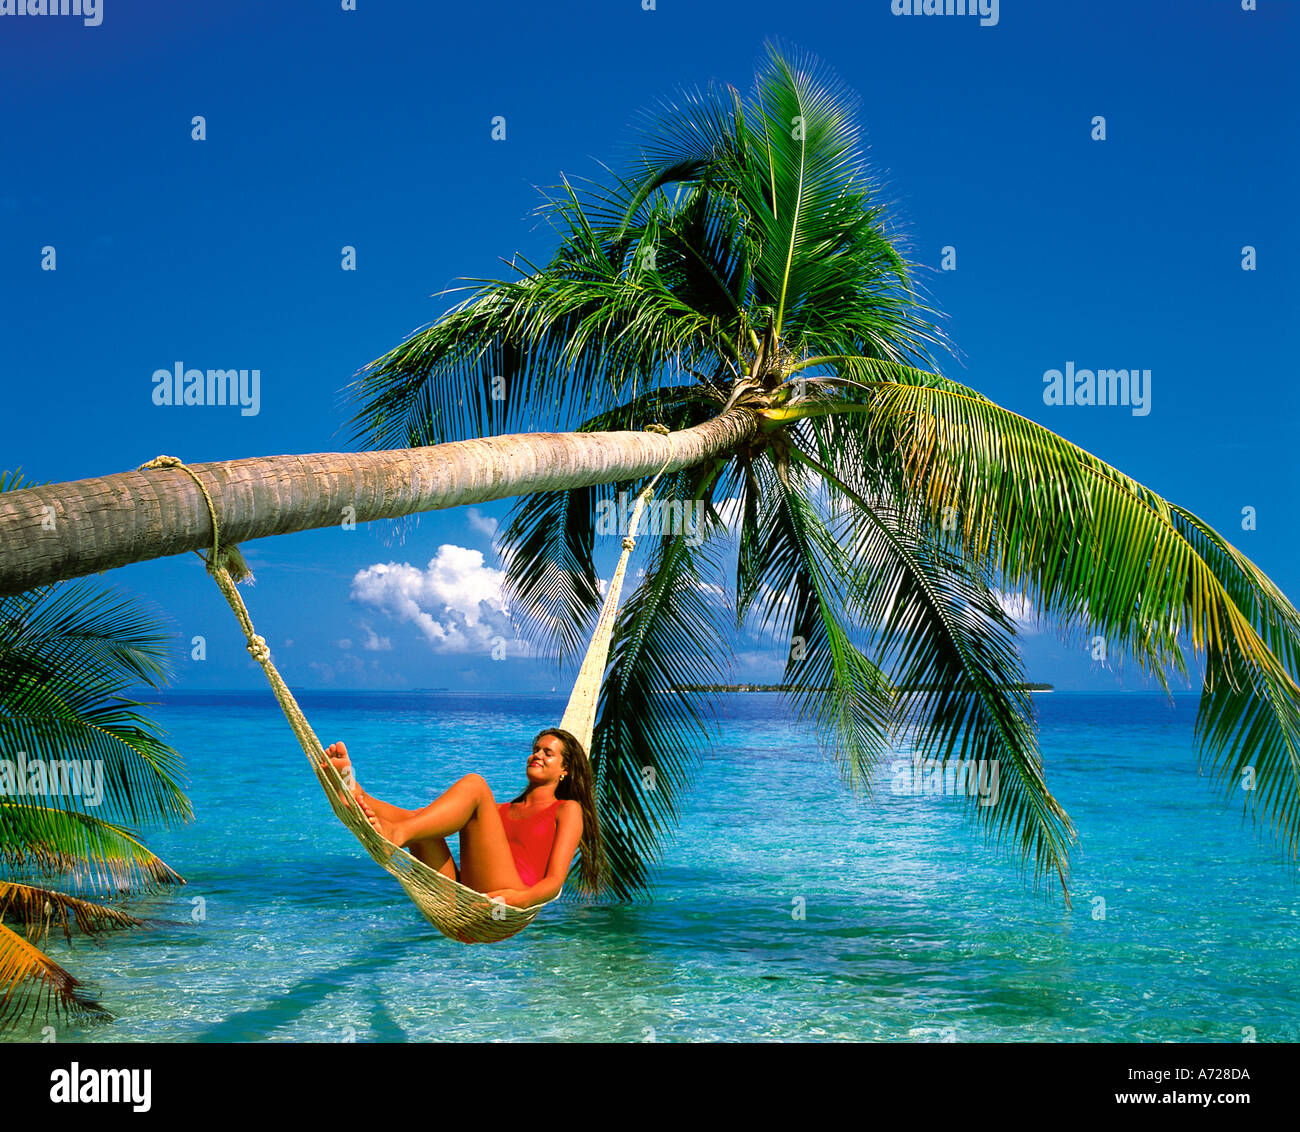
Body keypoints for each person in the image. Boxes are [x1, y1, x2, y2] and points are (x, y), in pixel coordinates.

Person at [325, 728, 604, 908]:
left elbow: (554, 882)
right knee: (422, 823)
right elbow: (423, 821)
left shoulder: (568, 809)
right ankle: (353, 792)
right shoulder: (499, 811)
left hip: (506, 898)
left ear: (564, 769)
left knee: (475, 785)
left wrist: (515, 900)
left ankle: (396, 835)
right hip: (461, 897)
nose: (536, 755)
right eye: (535, 750)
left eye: (547, 753)